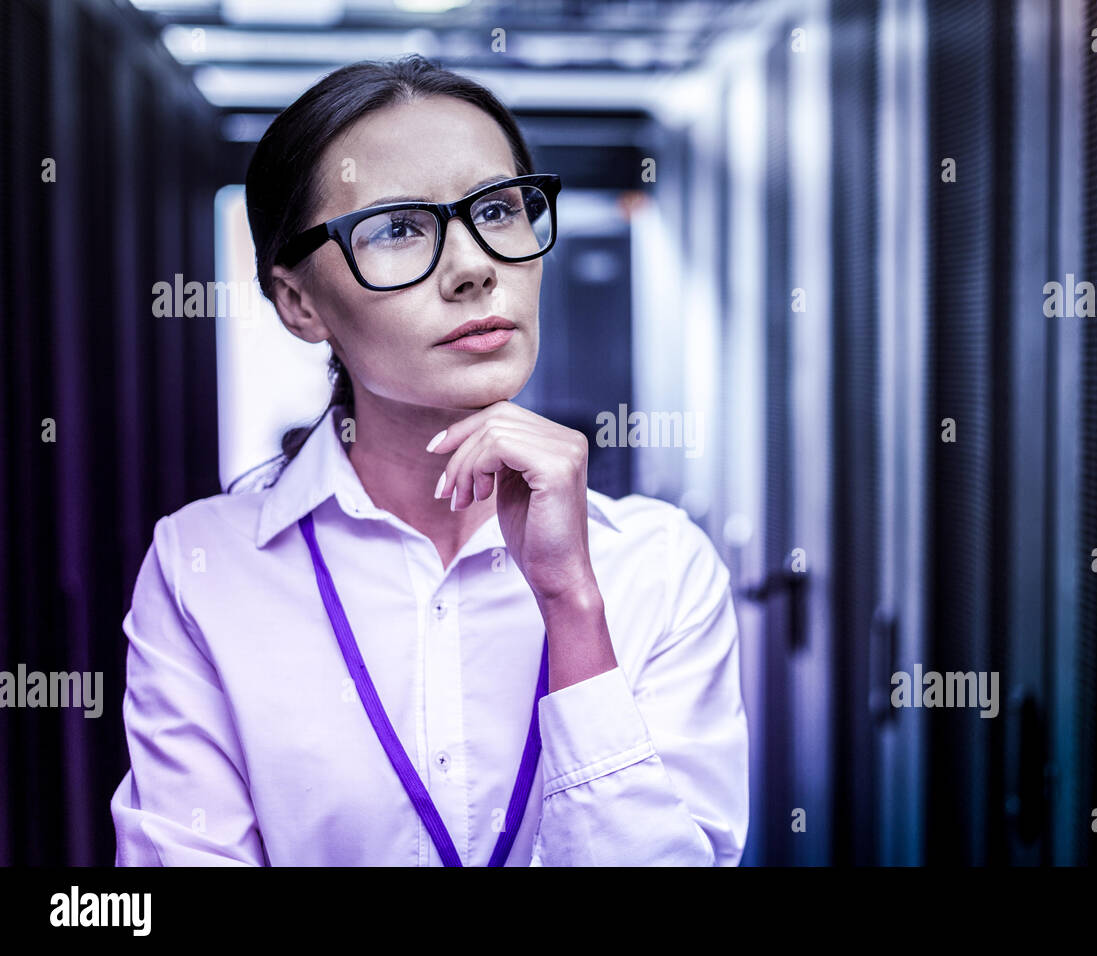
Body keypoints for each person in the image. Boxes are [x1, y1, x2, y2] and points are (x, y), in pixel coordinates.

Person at [108, 55, 749, 866]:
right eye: (398, 228)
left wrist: (572, 606)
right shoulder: (204, 569)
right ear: (301, 304)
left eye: (499, 208)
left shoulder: (659, 567)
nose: (476, 266)